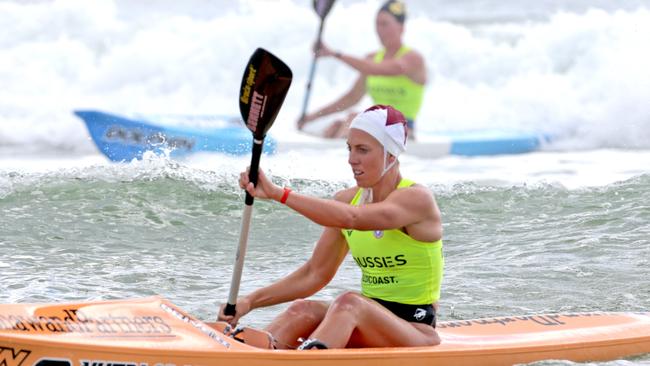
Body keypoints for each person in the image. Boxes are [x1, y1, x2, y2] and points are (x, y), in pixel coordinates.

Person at [219, 105, 444, 350]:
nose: (351, 159)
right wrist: (249, 301)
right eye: (349, 148)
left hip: (416, 330)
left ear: (390, 155)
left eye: (362, 150)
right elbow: (314, 274)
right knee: (301, 309)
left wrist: (278, 194)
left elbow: (353, 219)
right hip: (367, 319)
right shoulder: (347, 200)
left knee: (349, 303)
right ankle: (245, 354)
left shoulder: (416, 199)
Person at [298, 0, 427, 140]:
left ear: (401, 27)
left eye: (384, 24)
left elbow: (375, 69)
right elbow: (352, 98)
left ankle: (347, 153)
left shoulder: (412, 58)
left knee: (355, 119)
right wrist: (311, 117)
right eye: (377, 24)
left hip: (404, 130)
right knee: (335, 127)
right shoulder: (371, 58)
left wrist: (334, 54)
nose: (379, 30)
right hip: (377, 127)